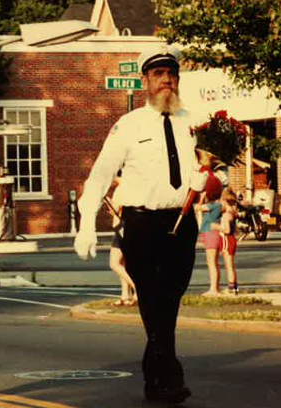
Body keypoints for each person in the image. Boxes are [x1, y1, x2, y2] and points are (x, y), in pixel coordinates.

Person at [74, 44, 206, 404]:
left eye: (171, 74)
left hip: (181, 221)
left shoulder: (193, 121)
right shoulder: (129, 125)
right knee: (151, 298)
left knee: (171, 299)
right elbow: (101, 174)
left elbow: (214, 166)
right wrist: (86, 222)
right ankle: (168, 377)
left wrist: (213, 180)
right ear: (145, 80)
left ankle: (154, 374)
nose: (166, 80)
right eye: (158, 74)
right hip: (142, 224)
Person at [105, 176, 137, 306]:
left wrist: (106, 199)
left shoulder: (122, 189)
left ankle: (138, 288)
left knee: (114, 263)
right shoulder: (133, 186)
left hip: (121, 226)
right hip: (126, 226)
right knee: (123, 262)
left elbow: (116, 210)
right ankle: (125, 295)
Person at [196, 191, 222, 296]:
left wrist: (201, 198)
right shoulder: (215, 205)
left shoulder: (214, 205)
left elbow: (197, 207)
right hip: (209, 233)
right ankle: (216, 288)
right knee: (212, 262)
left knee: (212, 262)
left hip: (211, 233)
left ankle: (213, 289)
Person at [216, 188, 239, 295]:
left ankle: (231, 288)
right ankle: (235, 287)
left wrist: (217, 227)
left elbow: (227, 230)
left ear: (225, 201)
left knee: (228, 265)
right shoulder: (232, 212)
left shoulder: (226, 214)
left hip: (226, 239)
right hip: (231, 239)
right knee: (231, 265)